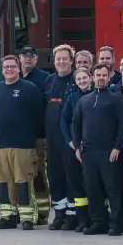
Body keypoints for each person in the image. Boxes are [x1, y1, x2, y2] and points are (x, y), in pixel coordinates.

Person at [72, 64, 123, 235]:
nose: (101, 78)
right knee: (92, 188)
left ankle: (116, 223)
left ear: (108, 77)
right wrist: (77, 146)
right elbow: (75, 124)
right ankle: (98, 222)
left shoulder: (116, 99)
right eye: (98, 75)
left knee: (112, 188)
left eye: (104, 75)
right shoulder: (84, 100)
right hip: (88, 152)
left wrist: (117, 147)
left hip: (109, 151)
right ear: (93, 77)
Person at [0, 55, 44, 229]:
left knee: (23, 182)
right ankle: (8, 216)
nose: (9, 70)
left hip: (23, 145)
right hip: (2, 145)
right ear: (2, 70)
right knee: (3, 183)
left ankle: (27, 217)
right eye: (6, 67)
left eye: (12, 67)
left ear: (19, 68)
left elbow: (38, 116)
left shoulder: (30, 89)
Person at [43, 45, 81, 230]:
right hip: (52, 139)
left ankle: (72, 216)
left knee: (71, 177)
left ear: (71, 61)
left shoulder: (76, 80)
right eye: (58, 59)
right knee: (55, 176)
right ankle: (59, 213)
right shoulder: (49, 80)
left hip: (70, 139)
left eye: (65, 59)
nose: (61, 62)